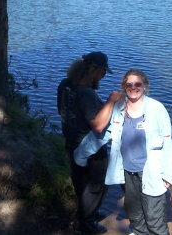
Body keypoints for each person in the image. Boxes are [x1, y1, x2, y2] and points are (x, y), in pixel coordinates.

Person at [74, 69, 172, 235]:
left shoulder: (157, 109)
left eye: (137, 84)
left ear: (145, 86)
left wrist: (168, 174)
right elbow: (102, 134)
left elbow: (167, 143)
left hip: (152, 172)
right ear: (124, 87)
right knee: (135, 214)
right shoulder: (119, 108)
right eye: (129, 85)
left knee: (154, 219)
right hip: (127, 172)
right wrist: (81, 155)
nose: (133, 87)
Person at [57, 51, 120, 234]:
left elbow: (60, 110)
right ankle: (87, 224)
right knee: (95, 186)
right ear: (94, 70)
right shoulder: (86, 94)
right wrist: (111, 101)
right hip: (90, 148)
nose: (103, 76)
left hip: (71, 142)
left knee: (80, 182)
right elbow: (98, 125)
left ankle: (86, 215)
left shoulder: (65, 85)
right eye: (103, 72)